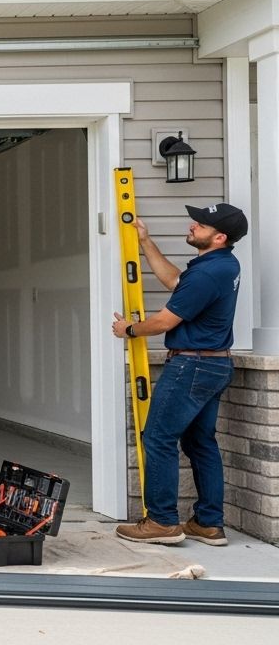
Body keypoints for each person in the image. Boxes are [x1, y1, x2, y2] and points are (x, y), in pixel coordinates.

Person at [111, 202, 247, 546]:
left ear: (219, 237)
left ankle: (162, 522)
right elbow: (175, 280)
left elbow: (163, 322)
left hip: (192, 365)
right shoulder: (221, 264)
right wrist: (146, 241)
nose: (192, 225)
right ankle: (208, 524)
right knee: (200, 442)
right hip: (213, 364)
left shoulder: (207, 273)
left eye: (201, 224)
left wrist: (129, 329)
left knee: (158, 438)